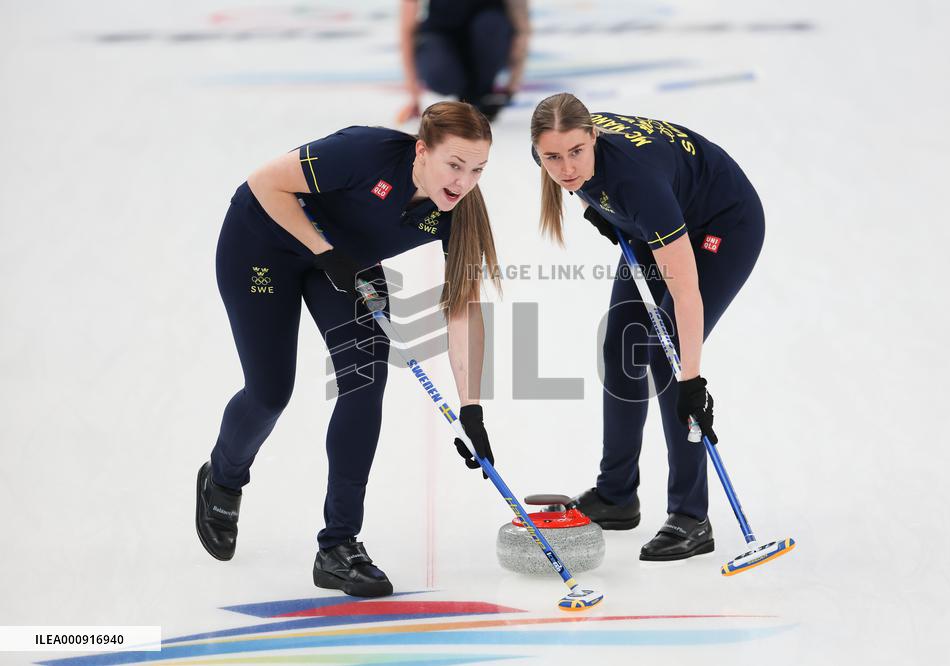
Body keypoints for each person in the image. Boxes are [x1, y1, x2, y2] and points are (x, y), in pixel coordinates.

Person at [196, 101, 502, 598]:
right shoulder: (365, 152)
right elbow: (263, 184)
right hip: (263, 245)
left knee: (365, 383)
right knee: (270, 392)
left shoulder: (460, 209)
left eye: (478, 170)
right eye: (454, 164)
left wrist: (472, 409)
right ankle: (224, 478)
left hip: (345, 267)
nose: (464, 181)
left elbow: (463, 308)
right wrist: (323, 250)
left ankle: (338, 545)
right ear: (421, 151)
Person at [529, 93, 765, 561]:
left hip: (721, 225)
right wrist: (600, 207)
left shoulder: (639, 185)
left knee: (666, 356)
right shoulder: (556, 146)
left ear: (593, 136)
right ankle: (616, 495)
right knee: (622, 348)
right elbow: (581, 178)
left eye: (577, 152)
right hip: (656, 222)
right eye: (552, 157)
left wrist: (692, 381)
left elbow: (687, 293)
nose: (565, 167)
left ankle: (691, 516)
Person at [398, 0, 530, 123]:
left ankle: (479, 94)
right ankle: (469, 96)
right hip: (440, 34)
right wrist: (413, 93)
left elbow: (521, 25)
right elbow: (407, 27)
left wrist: (513, 84)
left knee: (491, 26)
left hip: (488, 35)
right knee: (440, 73)